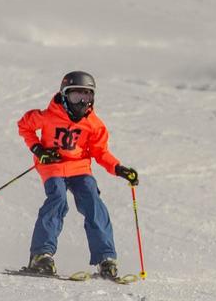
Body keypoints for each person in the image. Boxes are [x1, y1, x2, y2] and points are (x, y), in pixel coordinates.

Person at [15, 71, 139, 279]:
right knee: (58, 200)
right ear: (64, 96)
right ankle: (41, 255)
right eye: (76, 97)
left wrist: (118, 168)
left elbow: (100, 152)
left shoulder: (94, 124)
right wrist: (38, 150)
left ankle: (106, 258)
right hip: (53, 166)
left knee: (93, 202)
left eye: (87, 96)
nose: (82, 102)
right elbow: (24, 125)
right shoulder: (48, 116)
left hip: (79, 167)